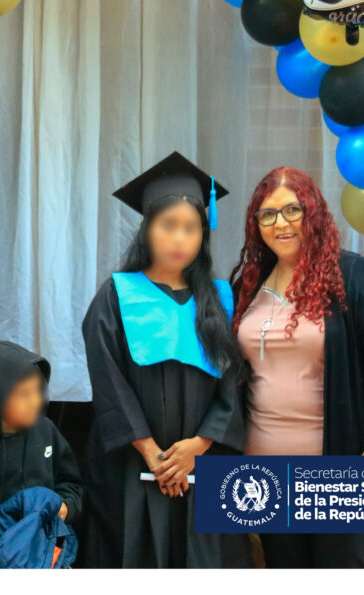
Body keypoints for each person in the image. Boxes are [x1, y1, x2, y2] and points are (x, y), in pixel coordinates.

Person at [79, 151, 250, 568]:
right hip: (134, 465)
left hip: (205, 463)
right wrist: (151, 451)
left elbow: (233, 382)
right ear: (147, 229)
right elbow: (108, 380)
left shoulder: (220, 298)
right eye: (168, 225)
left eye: (191, 228)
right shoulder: (116, 294)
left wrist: (201, 444)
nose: (179, 239)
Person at [229, 166, 364, 569]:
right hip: (265, 466)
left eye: (293, 210)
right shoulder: (248, 286)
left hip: (338, 462)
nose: (281, 223)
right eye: (267, 214)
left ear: (314, 212)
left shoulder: (358, 279)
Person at [0, 340, 83, 566]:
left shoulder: (46, 430)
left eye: (38, 390)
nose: (36, 401)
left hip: (48, 552)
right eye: (23, 394)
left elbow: (71, 483)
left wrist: (65, 507)